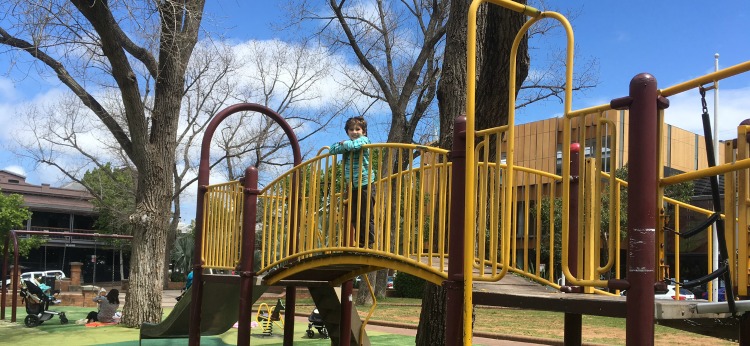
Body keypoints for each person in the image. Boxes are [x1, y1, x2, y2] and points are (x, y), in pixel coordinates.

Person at [329, 116, 376, 247]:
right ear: (347, 132)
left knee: (366, 215)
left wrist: (344, 144)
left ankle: (369, 243)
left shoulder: (365, 140)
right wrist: (343, 145)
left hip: (366, 184)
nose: (354, 132)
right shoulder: (349, 144)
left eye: (358, 129)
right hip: (353, 186)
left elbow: (356, 146)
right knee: (355, 216)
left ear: (364, 132)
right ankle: (360, 243)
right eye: (351, 129)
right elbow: (332, 149)